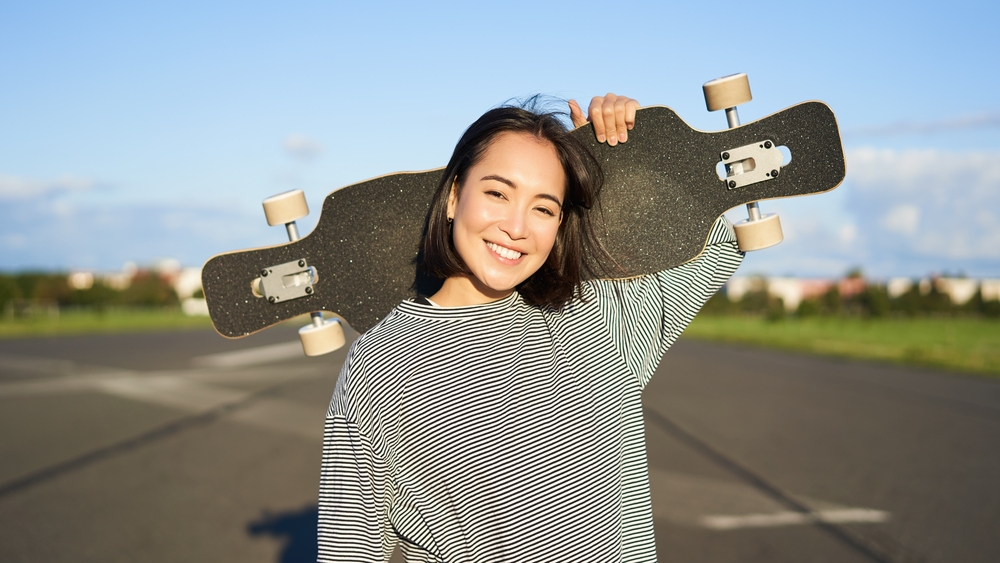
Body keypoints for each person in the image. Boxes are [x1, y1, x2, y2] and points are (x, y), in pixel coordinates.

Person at [318, 94, 744, 562]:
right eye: (498, 193)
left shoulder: (600, 317)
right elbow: (348, 549)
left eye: (543, 208)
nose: (517, 227)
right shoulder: (379, 365)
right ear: (455, 196)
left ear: (560, 223)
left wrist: (626, 161)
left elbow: (715, 243)